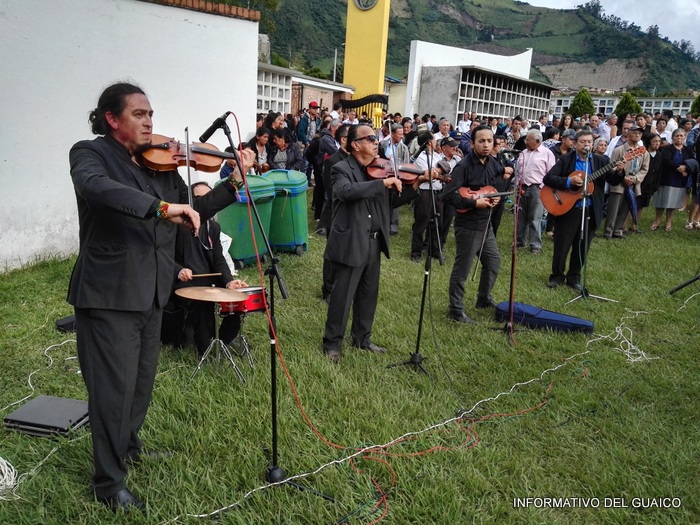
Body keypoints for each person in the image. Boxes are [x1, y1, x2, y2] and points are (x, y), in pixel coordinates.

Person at [68, 82, 254, 511]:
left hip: (152, 291)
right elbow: (98, 190)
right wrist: (161, 208)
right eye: (139, 114)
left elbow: (194, 211)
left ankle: (129, 446)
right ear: (112, 118)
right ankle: (108, 483)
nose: (149, 121)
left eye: (151, 114)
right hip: (110, 293)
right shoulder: (90, 154)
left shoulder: (160, 167)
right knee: (112, 390)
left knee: (140, 382)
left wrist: (232, 181)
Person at [322, 124, 425, 361]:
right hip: (351, 241)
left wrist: (416, 184)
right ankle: (332, 343)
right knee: (342, 296)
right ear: (355, 144)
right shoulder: (340, 168)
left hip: (374, 242)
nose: (375, 141)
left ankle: (362, 338)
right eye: (370, 138)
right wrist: (382, 184)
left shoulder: (380, 169)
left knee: (368, 294)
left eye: (375, 138)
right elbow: (345, 191)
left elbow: (390, 203)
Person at [164, 182, 249, 355]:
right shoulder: (176, 225)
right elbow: (163, 256)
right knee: (201, 303)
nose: (204, 203)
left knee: (239, 298)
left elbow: (219, 259)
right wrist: (179, 270)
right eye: (198, 198)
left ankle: (222, 341)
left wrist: (228, 282)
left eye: (207, 198)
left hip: (210, 280)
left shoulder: (214, 227)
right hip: (185, 281)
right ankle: (204, 351)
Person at [542, 130, 624, 290]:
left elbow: (613, 180)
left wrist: (620, 171)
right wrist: (568, 181)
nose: (586, 145)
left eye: (589, 142)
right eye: (582, 142)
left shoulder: (601, 161)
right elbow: (548, 178)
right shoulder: (566, 159)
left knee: (582, 246)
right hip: (568, 209)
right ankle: (557, 276)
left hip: (590, 209)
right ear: (575, 144)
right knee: (562, 245)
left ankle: (574, 277)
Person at [442, 126, 504, 324]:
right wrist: (473, 203)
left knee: (493, 262)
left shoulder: (493, 163)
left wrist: (495, 197)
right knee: (463, 269)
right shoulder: (463, 167)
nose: (486, 145)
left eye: (489, 141)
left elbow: (494, 186)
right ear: (472, 143)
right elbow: (447, 195)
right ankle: (456, 310)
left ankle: (483, 299)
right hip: (468, 226)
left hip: (486, 224)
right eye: (481, 141)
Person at [514, 129, 555, 254]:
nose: (525, 142)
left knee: (535, 218)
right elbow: (517, 170)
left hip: (537, 188)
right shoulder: (523, 153)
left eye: (528, 140)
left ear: (537, 141)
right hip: (522, 188)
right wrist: (517, 184)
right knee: (520, 217)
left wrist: (542, 187)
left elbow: (551, 173)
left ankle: (535, 245)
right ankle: (519, 241)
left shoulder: (547, 153)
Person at [604, 126, 649, 239]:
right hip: (619, 182)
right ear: (628, 134)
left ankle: (618, 230)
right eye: (635, 133)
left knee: (626, 207)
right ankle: (608, 231)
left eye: (640, 133)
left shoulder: (643, 152)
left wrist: (635, 179)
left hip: (633, 182)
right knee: (614, 208)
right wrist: (623, 177)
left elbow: (644, 169)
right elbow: (612, 167)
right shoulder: (619, 150)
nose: (637, 135)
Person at [651, 128, 695, 232]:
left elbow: (692, 162)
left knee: (673, 203)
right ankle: (657, 221)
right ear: (672, 137)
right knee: (661, 201)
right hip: (666, 179)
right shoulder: (667, 148)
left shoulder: (687, 150)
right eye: (677, 136)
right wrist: (679, 168)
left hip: (680, 180)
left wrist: (686, 168)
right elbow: (665, 160)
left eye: (681, 136)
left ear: (684, 137)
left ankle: (668, 222)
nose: (679, 138)